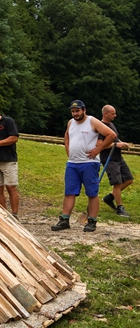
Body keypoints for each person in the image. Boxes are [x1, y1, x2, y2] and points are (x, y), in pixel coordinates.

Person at [51, 100, 116, 233]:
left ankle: (92, 221)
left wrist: (98, 150)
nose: (75, 113)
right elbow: (67, 134)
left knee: (92, 193)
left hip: (89, 163)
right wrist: (68, 149)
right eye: (73, 111)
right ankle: (64, 219)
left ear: (84, 110)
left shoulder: (92, 121)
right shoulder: (71, 122)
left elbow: (111, 135)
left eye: (77, 111)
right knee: (69, 192)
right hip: (72, 163)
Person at [99, 104, 133, 218]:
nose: (115, 115)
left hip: (118, 157)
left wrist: (122, 143)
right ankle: (120, 208)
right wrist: (116, 144)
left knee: (129, 179)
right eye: (113, 113)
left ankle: (109, 198)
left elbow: (116, 140)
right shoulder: (101, 127)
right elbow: (99, 145)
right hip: (109, 158)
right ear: (105, 114)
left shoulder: (112, 125)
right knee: (117, 183)